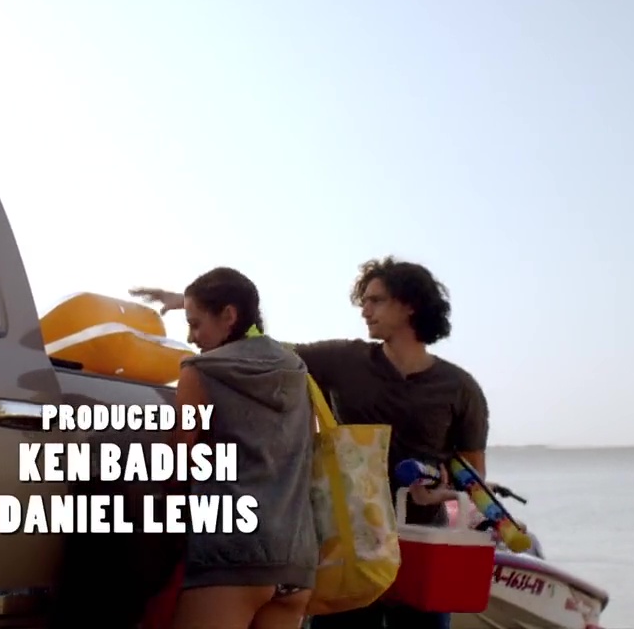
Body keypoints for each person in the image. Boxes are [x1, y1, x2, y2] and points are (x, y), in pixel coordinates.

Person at [133, 256, 489, 629]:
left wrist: (443, 490)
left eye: (376, 300)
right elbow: (258, 348)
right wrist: (195, 303)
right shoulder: (344, 359)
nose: (364, 310)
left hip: (422, 544)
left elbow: (474, 479)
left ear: (410, 305)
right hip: (348, 543)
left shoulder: (460, 388)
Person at [167, 267, 318, 629]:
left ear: (229, 315)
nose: (191, 337)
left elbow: (174, 464)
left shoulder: (201, 371)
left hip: (230, 557)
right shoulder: (296, 369)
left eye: (195, 324)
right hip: (296, 562)